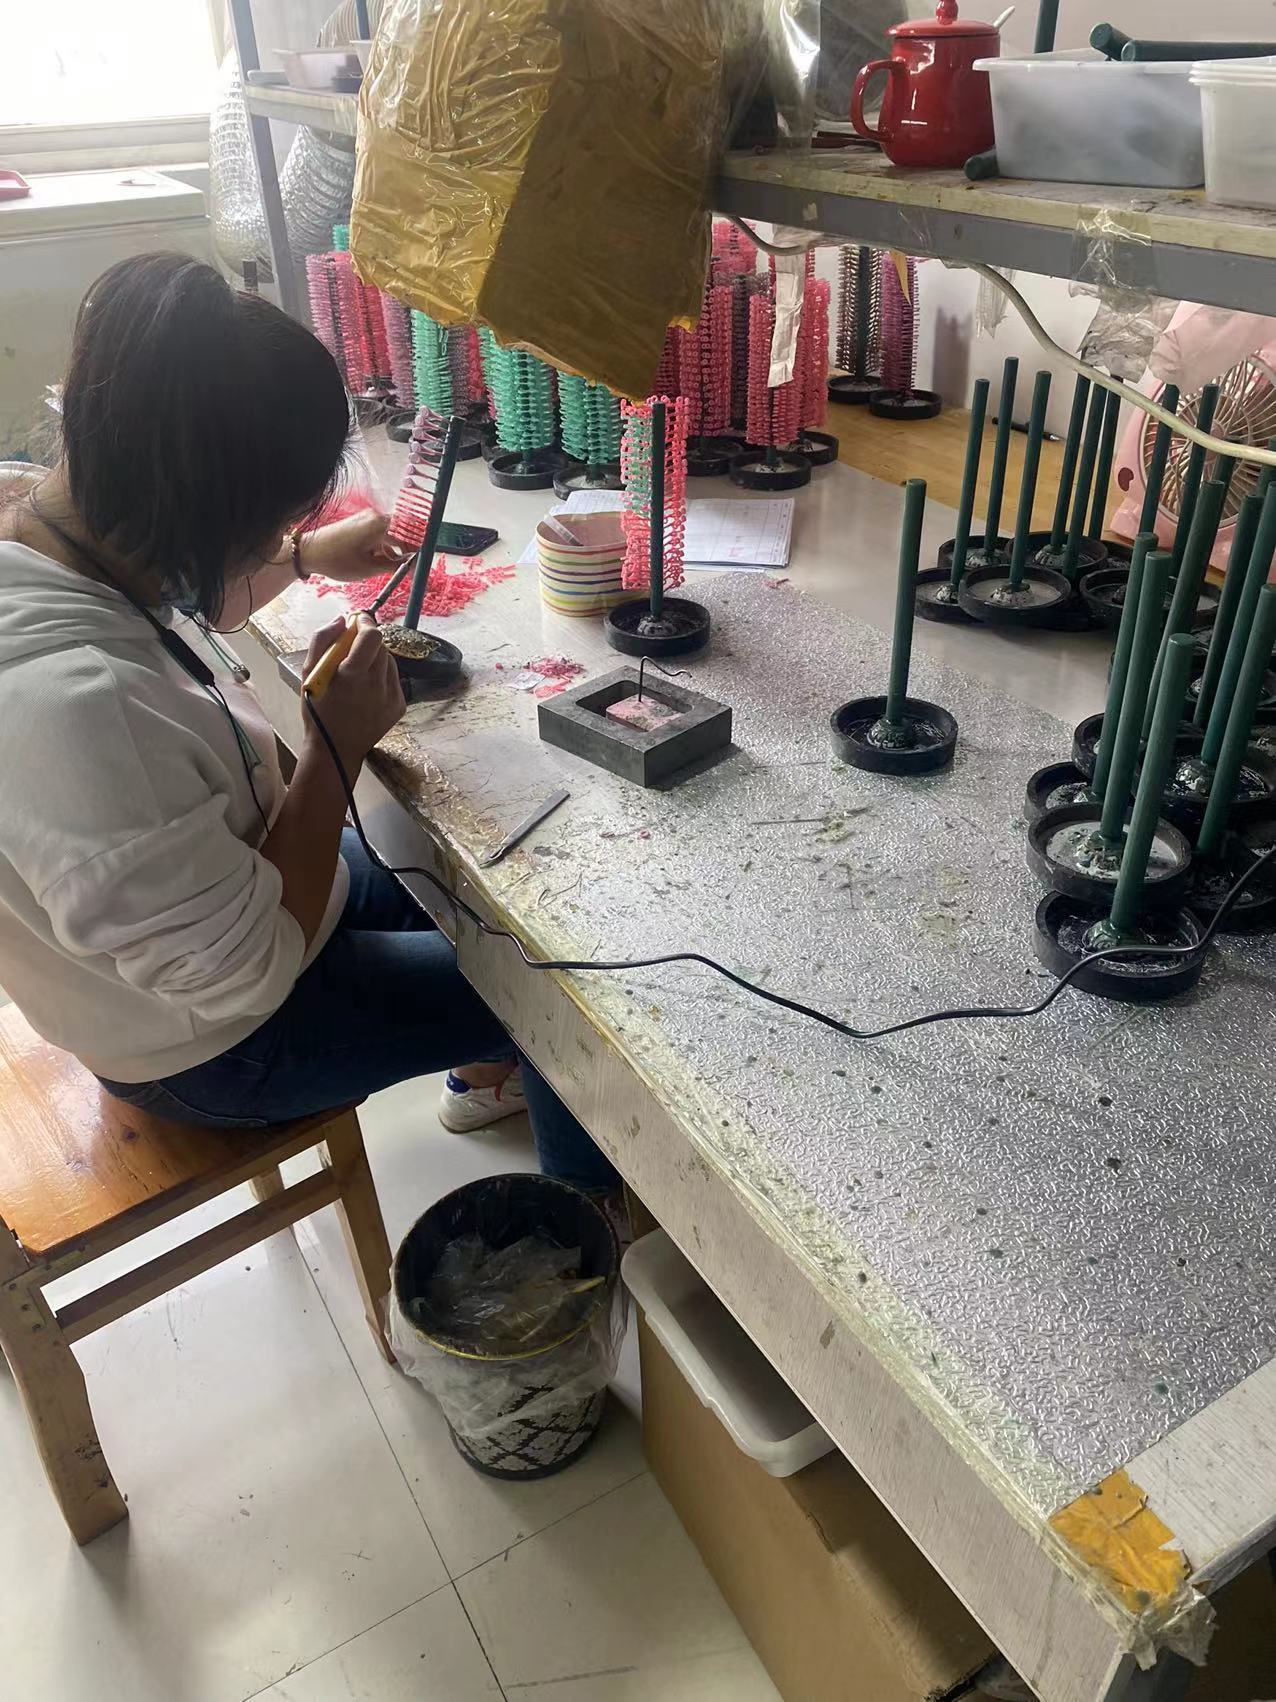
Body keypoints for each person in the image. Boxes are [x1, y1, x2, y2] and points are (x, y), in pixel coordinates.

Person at [0, 253, 617, 1197]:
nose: (270, 542)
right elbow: (246, 973)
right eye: (268, 524)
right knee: (560, 1000)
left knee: (485, 900)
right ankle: (582, 1215)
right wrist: (334, 746)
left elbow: (170, 607)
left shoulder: (50, 527)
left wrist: (296, 556)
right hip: (217, 1041)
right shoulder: (74, 710)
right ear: (196, 512)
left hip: (227, 901)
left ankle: (485, 1066)